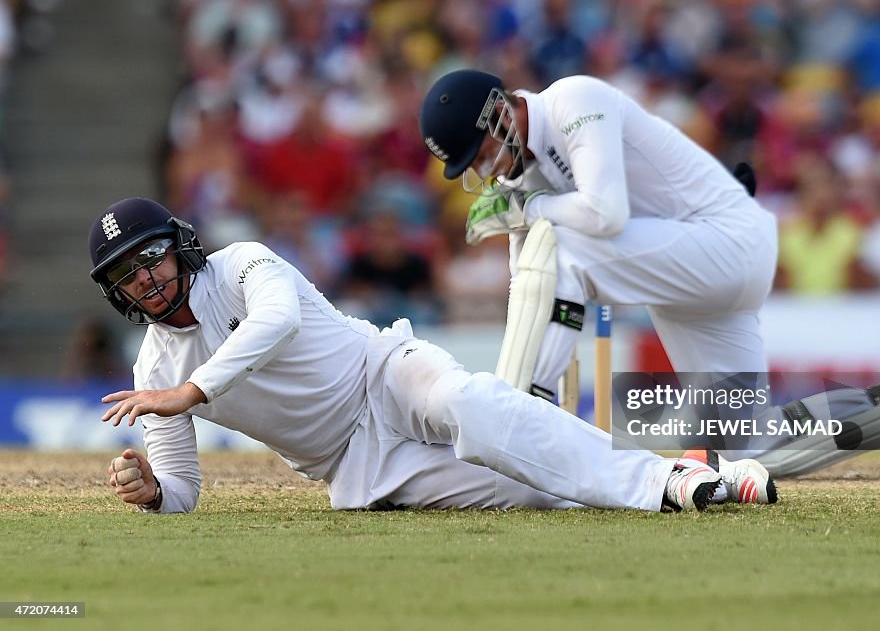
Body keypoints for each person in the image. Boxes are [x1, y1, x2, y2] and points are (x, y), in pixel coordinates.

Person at [417, 69, 880, 479]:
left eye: (481, 151)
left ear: (498, 112)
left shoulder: (572, 100)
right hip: (685, 272)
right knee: (746, 449)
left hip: (726, 241)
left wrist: (531, 213)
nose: (486, 169)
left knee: (560, 240)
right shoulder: (523, 183)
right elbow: (531, 288)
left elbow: (606, 213)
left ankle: (519, 420)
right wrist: (527, 212)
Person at [89, 197, 778, 514]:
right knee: (538, 487)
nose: (146, 278)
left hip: (383, 370)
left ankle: (669, 488)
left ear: (177, 246)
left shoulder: (241, 262)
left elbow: (276, 318)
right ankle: (700, 468)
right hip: (356, 466)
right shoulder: (154, 371)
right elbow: (182, 493)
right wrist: (152, 492)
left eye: (150, 257)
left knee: (472, 402)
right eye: (127, 274)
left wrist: (194, 392)